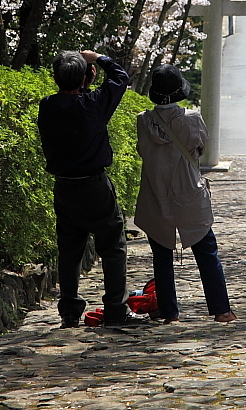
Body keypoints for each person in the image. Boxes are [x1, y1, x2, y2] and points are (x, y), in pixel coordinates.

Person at [37, 49, 149, 328]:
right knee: (113, 246)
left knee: (69, 249)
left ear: (55, 78)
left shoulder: (47, 106)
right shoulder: (94, 104)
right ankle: (115, 309)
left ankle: (69, 312)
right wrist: (97, 57)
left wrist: (85, 76)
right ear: (86, 78)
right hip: (94, 186)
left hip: (64, 187)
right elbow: (120, 78)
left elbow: (70, 97)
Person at [134, 64, 235, 324]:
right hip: (188, 191)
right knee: (206, 251)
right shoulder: (191, 119)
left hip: (155, 193)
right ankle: (221, 310)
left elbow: (143, 151)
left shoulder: (143, 120)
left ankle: (170, 314)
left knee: (161, 254)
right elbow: (200, 146)